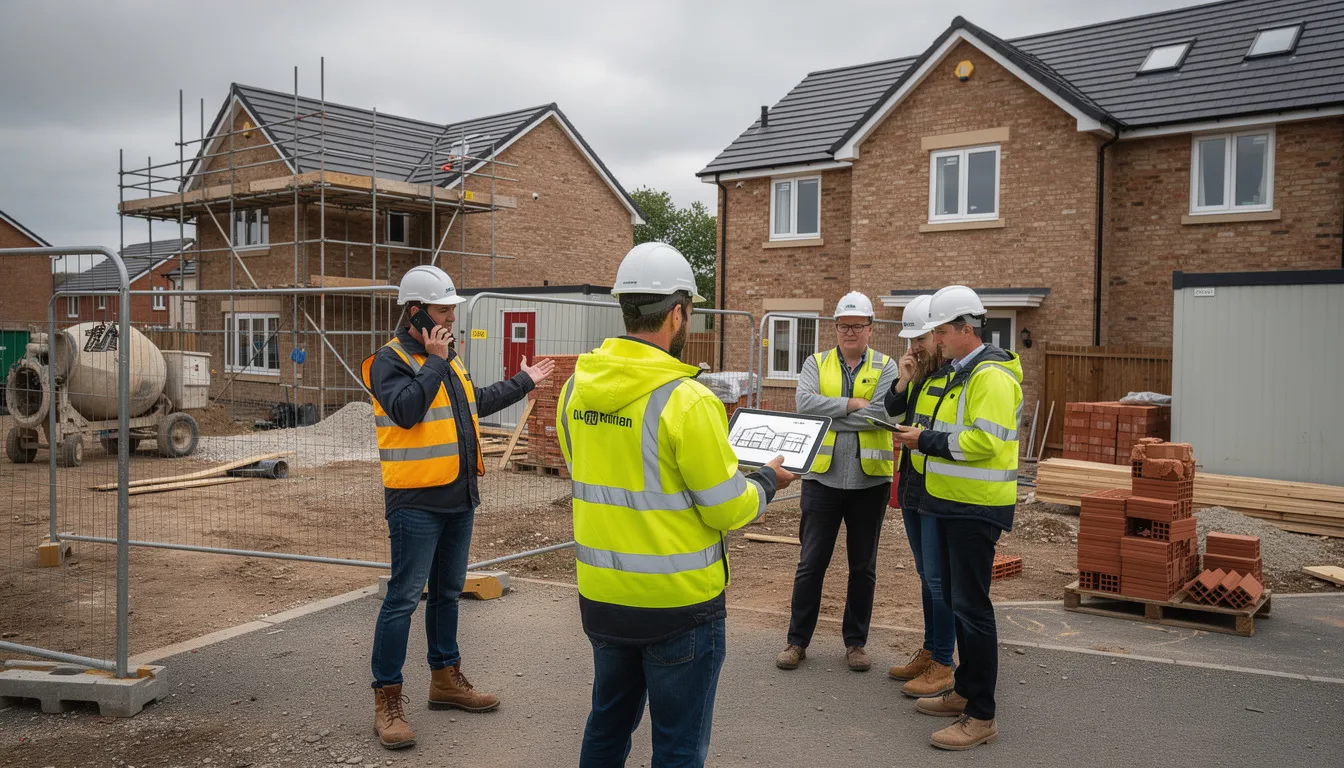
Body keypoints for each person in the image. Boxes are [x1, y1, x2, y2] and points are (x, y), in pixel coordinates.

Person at [558, 242, 797, 767]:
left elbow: (588, 473)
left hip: (602, 596)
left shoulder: (576, 387)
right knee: (678, 747)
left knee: (607, 726)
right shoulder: (688, 400)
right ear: (676, 313)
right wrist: (767, 480)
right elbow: (725, 508)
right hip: (678, 607)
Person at [362, 264, 556, 750]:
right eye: (444, 309)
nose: (452, 316)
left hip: (458, 496)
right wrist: (434, 360)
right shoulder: (387, 361)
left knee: (447, 593)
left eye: (453, 308)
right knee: (404, 599)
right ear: (415, 312)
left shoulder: (446, 358)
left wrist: (523, 381)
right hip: (416, 502)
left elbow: (475, 404)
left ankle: (446, 681)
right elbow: (406, 412)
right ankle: (387, 699)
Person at [891, 285, 1022, 751]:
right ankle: (964, 690)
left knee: (973, 609)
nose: (937, 339)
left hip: (973, 507)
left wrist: (923, 441)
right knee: (962, 606)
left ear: (966, 329)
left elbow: (982, 443)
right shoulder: (961, 374)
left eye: (943, 331)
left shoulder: (990, 377)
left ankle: (981, 714)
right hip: (949, 503)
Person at [776, 291, 898, 673]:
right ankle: (797, 641)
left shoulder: (887, 366)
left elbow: (883, 416)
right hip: (822, 479)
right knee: (811, 563)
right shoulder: (816, 361)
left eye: (857, 326)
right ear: (835, 328)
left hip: (869, 482)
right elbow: (803, 404)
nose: (850, 332)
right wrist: (852, 405)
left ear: (870, 329)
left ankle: (856, 643)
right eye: (844, 326)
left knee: (863, 566)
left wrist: (835, 412)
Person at [882, 294, 957, 699]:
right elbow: (892, 413)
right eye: (910, 340)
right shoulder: (920, 376)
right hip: (912, 485)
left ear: (940, 335)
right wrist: (902, 380)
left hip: (937, 490)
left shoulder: (952, 379)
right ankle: (931, 650)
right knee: (926, 578)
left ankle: (943, 661)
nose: (914, 347)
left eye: (922, 338)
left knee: (938, 580)